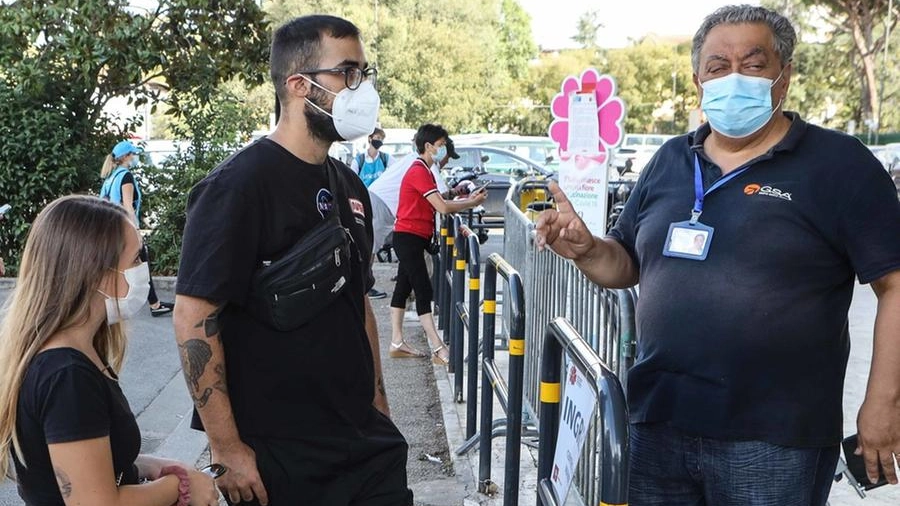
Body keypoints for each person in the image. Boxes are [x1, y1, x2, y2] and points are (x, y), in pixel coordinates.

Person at [535, 5, 900, 505]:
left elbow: (895, 285)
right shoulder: (669, 161)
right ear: (698, 80)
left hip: (773, 442)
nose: (734, 78)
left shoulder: (839, 165)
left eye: (752, 64)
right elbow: (625, 266)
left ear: (784, 76)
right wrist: (586, 249)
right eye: (718, 66)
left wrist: (883, 404)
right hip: (658, 422)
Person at [173, 15, 413, 506]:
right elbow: (194, 317)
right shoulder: (237, 187)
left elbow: (357, 302)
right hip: (279, 456)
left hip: (364, 447)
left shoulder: (349, 187)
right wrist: (226, 448)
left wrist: (378, 403)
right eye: (347, 73)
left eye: (365, 74)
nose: (361, 88)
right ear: (299, 85)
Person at [0, 195, 219, 506]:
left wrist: (155, 466)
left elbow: (89, 457)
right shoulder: (67, 376)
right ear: (95, 274)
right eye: (135, 259)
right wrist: (182, 486)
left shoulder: (73, 352)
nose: (143, 269)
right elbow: (97, 502)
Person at [388, 124, 487, 363]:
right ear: (428, 146)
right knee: (423, 289)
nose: (443, 151)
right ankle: (438, 348)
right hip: (408, 236)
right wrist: (470, 204)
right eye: (441, 146)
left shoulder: (424, 170)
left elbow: (440, 200)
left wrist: (465, 199)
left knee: (403, 288)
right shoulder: (418, 170)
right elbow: (441, 206)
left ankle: (397, 342)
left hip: (412, 236)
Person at [99, 140, 174, 317]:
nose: (135, 157)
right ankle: (153, 305)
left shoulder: (111, 177)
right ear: (126, 157)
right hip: (124, 227)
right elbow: (128, 205)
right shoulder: (125, 176)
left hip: (111, 228)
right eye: (133, 154)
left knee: (131, 264)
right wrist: (136, 232)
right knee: (141, 265)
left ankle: (153, 304)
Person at [352, 129, 392, 299]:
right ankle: (365, 283)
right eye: (377, 138)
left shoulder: (385, 159)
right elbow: (352, 180)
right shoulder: (360, 160)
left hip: (379, 204)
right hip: (363, 205)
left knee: (373, 243)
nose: (379, 142)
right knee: (366, 242)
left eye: (381, 139)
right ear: (370, 139)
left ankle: (367, 281)